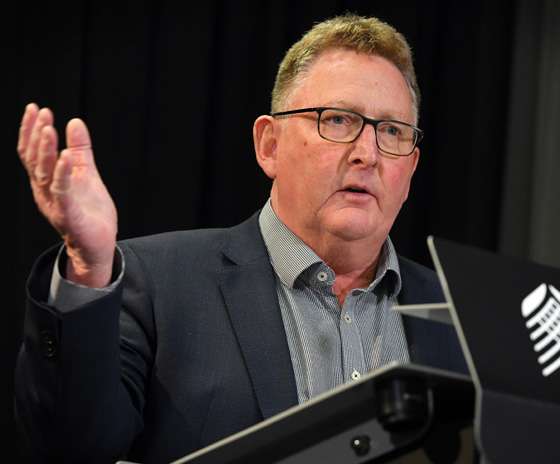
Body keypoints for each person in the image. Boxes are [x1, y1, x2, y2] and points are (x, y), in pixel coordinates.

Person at [14, 14, 466, 463]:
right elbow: (71, 447)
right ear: (269, 145)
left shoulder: (463, 319)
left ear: (410, 171)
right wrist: (89, 268)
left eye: (391, 131)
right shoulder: (156, 285)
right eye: (338, 120)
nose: (367, 153)